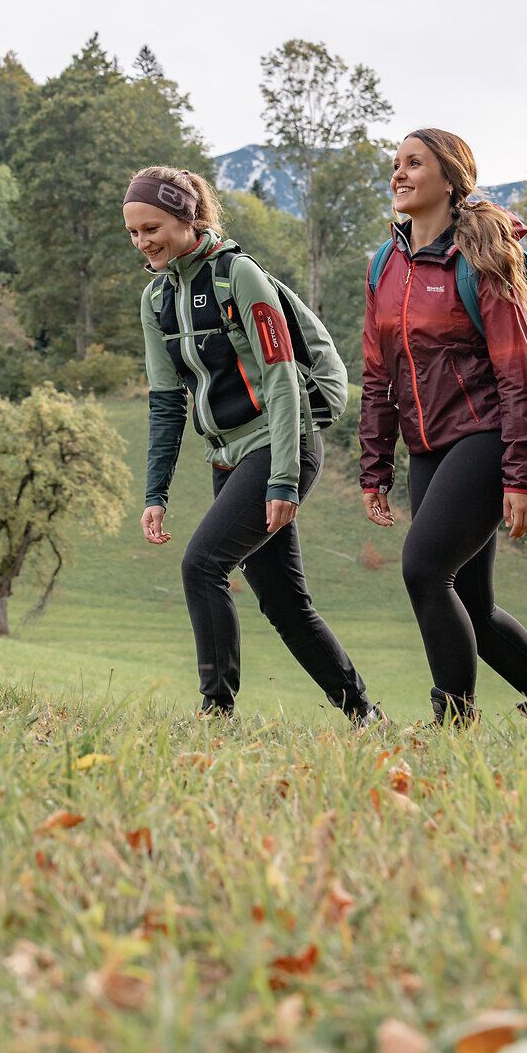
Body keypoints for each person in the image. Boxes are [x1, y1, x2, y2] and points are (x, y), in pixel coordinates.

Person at [360, 129, 527, 726]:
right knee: (472, 603)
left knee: (423, 569)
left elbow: (519, 376)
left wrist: (521, 473)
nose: (399, 173)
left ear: (450, 178)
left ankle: (452, 723)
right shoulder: (386, 265)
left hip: (487, 435)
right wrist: (374, 466)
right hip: (427, 445)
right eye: (396, 164)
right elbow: (375, 373)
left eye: (414, 163)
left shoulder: (480, 259)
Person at [128, 165, 380, 724]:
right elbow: (167, 401)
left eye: (154, 228)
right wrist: (154, 493)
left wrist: (284, 477)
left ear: (188, 219)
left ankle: (216, 712)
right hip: (227, 455)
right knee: (285, 603)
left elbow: (284, 378)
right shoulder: (156, 301)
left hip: (281, 444)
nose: (145, 242)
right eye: (135, 233)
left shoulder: (238, 275)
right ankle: (366, 716)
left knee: (202, 565)